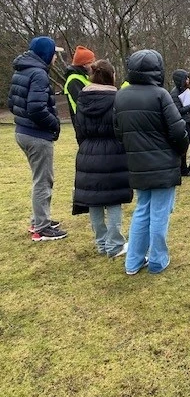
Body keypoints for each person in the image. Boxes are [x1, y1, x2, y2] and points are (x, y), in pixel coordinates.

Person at [113, 49, 189, 276]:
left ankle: (133, 262)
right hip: (163, 163)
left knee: (142, 210)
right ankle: (157, 260)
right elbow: (178, 131)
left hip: (137, 164)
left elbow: (118, 132)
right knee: (159, 214)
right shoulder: (161, 95)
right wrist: (180, 152)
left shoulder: (121, 95)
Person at [8, 36, 68, 241]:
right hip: (36, 135)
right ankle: (41, 228)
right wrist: (54, 124)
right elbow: (36, 108)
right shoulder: (39, 74)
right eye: (54, 54)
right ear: (46, 54)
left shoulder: (22, 70)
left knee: (39, 179)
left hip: (22, 131)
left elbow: (12, 103)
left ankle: (38, 219)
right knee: (43, 180)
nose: (56, 59)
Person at [73, 60, 133, 257]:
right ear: (111, 76)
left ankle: (101, 243)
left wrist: (85, 146)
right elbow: (121, 128)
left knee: (95, 200)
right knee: (113, 199)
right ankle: (114, 244)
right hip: (113, 151)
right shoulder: (117, 99)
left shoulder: (82, 99)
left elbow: (79, 128)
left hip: (87, 150)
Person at [170, 69, 190, 176]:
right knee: (185, 146)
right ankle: (183, 170)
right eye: (186, 78)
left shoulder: (185, 91)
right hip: (181, 123)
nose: (188, 80)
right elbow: (177, 111)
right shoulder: (174, 93)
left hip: (187, 121)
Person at [63, 45, 96, 124]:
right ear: (84, 64)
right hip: (83, 122)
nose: (94, 65)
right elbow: (84, 103)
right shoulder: (74, 80)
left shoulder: (84, 77)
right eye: (92, 62)